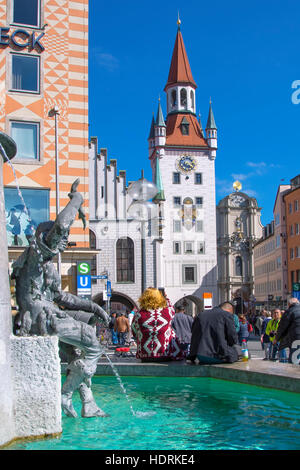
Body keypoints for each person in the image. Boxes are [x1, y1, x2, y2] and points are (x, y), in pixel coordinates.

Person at [11, 179, 110, 418]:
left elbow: (61, 296)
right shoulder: (35, 256)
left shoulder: (42, 266)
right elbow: (62, 224)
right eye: (59, 240)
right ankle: (65, 396)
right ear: (47, 238)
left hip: (45, 314)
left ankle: (88, 403)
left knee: (76, 353)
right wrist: (76, 199)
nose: (63, 243)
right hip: (40, 317)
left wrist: (93, 306)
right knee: (92, 343)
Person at [131, 287, 184, 362]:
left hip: (144, 355)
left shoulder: (138, 314)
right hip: (164, 354)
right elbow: (171, 307)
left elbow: (134, 331)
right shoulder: (168, 312)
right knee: (171, 331)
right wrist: (166, 298)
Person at [273, 297, 300, 364]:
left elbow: (282, 327)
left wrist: (276, 339)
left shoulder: (290, 311)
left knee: (295, 359)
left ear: (289, 304)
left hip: (296, 337)